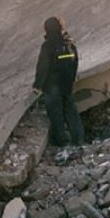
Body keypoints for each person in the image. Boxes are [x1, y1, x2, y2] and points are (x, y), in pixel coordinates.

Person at [33, 16, 84, 147]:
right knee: (71, 112)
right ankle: (78, 140)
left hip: (52, 86)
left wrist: (37, 85)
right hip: (66, 84)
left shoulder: (47, 46)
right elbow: (75, 62)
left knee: (56, 115)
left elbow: (43, 67)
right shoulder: (68, 43)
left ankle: (62, 142)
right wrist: (71, 79)